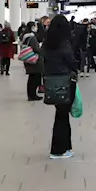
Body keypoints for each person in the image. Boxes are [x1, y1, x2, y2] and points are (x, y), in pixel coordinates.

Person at [41, 15, 78, 159]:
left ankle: (66, 147)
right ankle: (58, 150)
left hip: (51, 82)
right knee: (62, 116)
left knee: (61, 114)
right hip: (65, 82)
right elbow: (71, 62)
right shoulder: (64, 43)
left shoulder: (47, 43)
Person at [21, 22, 43, 101]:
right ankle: (33, 95)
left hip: (28, 58)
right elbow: (36, 49)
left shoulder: (25, 36)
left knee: (31, 78)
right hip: (34, 60)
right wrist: (41, 49)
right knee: (35, 78)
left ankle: (31, 95)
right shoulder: (32, 37)